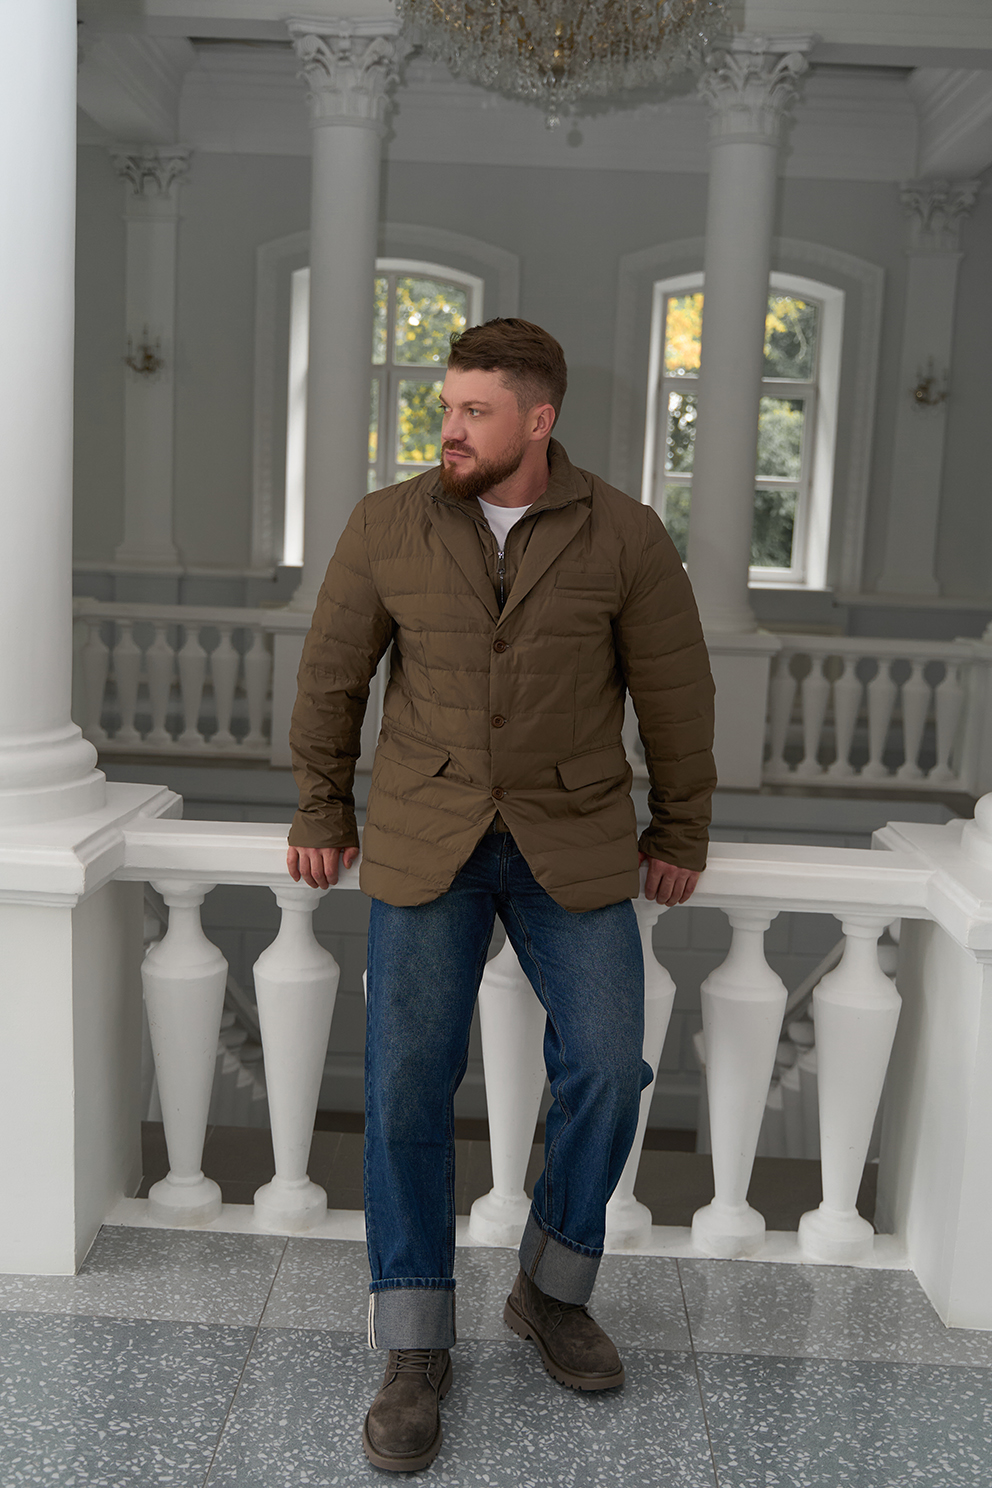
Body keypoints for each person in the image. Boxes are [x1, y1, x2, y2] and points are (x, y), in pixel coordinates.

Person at [286, 318, 716, 1473]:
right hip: (425, 831)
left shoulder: (623, 533)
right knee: (404, 1084)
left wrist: (680, 829)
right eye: (445, 407)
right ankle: (412, 1347)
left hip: (571, 837)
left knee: (609, 1064)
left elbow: (675, 696)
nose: (449, 429)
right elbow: (331, 678)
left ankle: (550, 1290)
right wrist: (321, 810)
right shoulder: (386, 522)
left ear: (538, 418)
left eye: (473, 411)